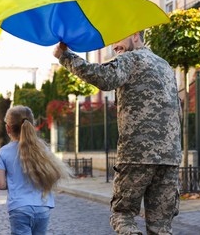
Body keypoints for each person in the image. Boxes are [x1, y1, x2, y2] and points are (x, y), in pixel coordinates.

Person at [53, 32, 182, 235]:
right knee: (161, 227)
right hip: (170, 158)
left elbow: (103, 77)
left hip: (137, 155)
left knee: (122, 215)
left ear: (135, 35)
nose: (114, 46)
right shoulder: (165, 65)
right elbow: (178, 110)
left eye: (118, 38)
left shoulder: (131, 59)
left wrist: (65, 56)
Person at [0, 105, 71, 235]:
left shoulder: (3, 153)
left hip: (19, 208)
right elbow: (56, 174)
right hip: (43, 207)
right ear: (32, 125)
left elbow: (0, 185)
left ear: (8, 128)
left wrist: (14, 181)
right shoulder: (43, 149)